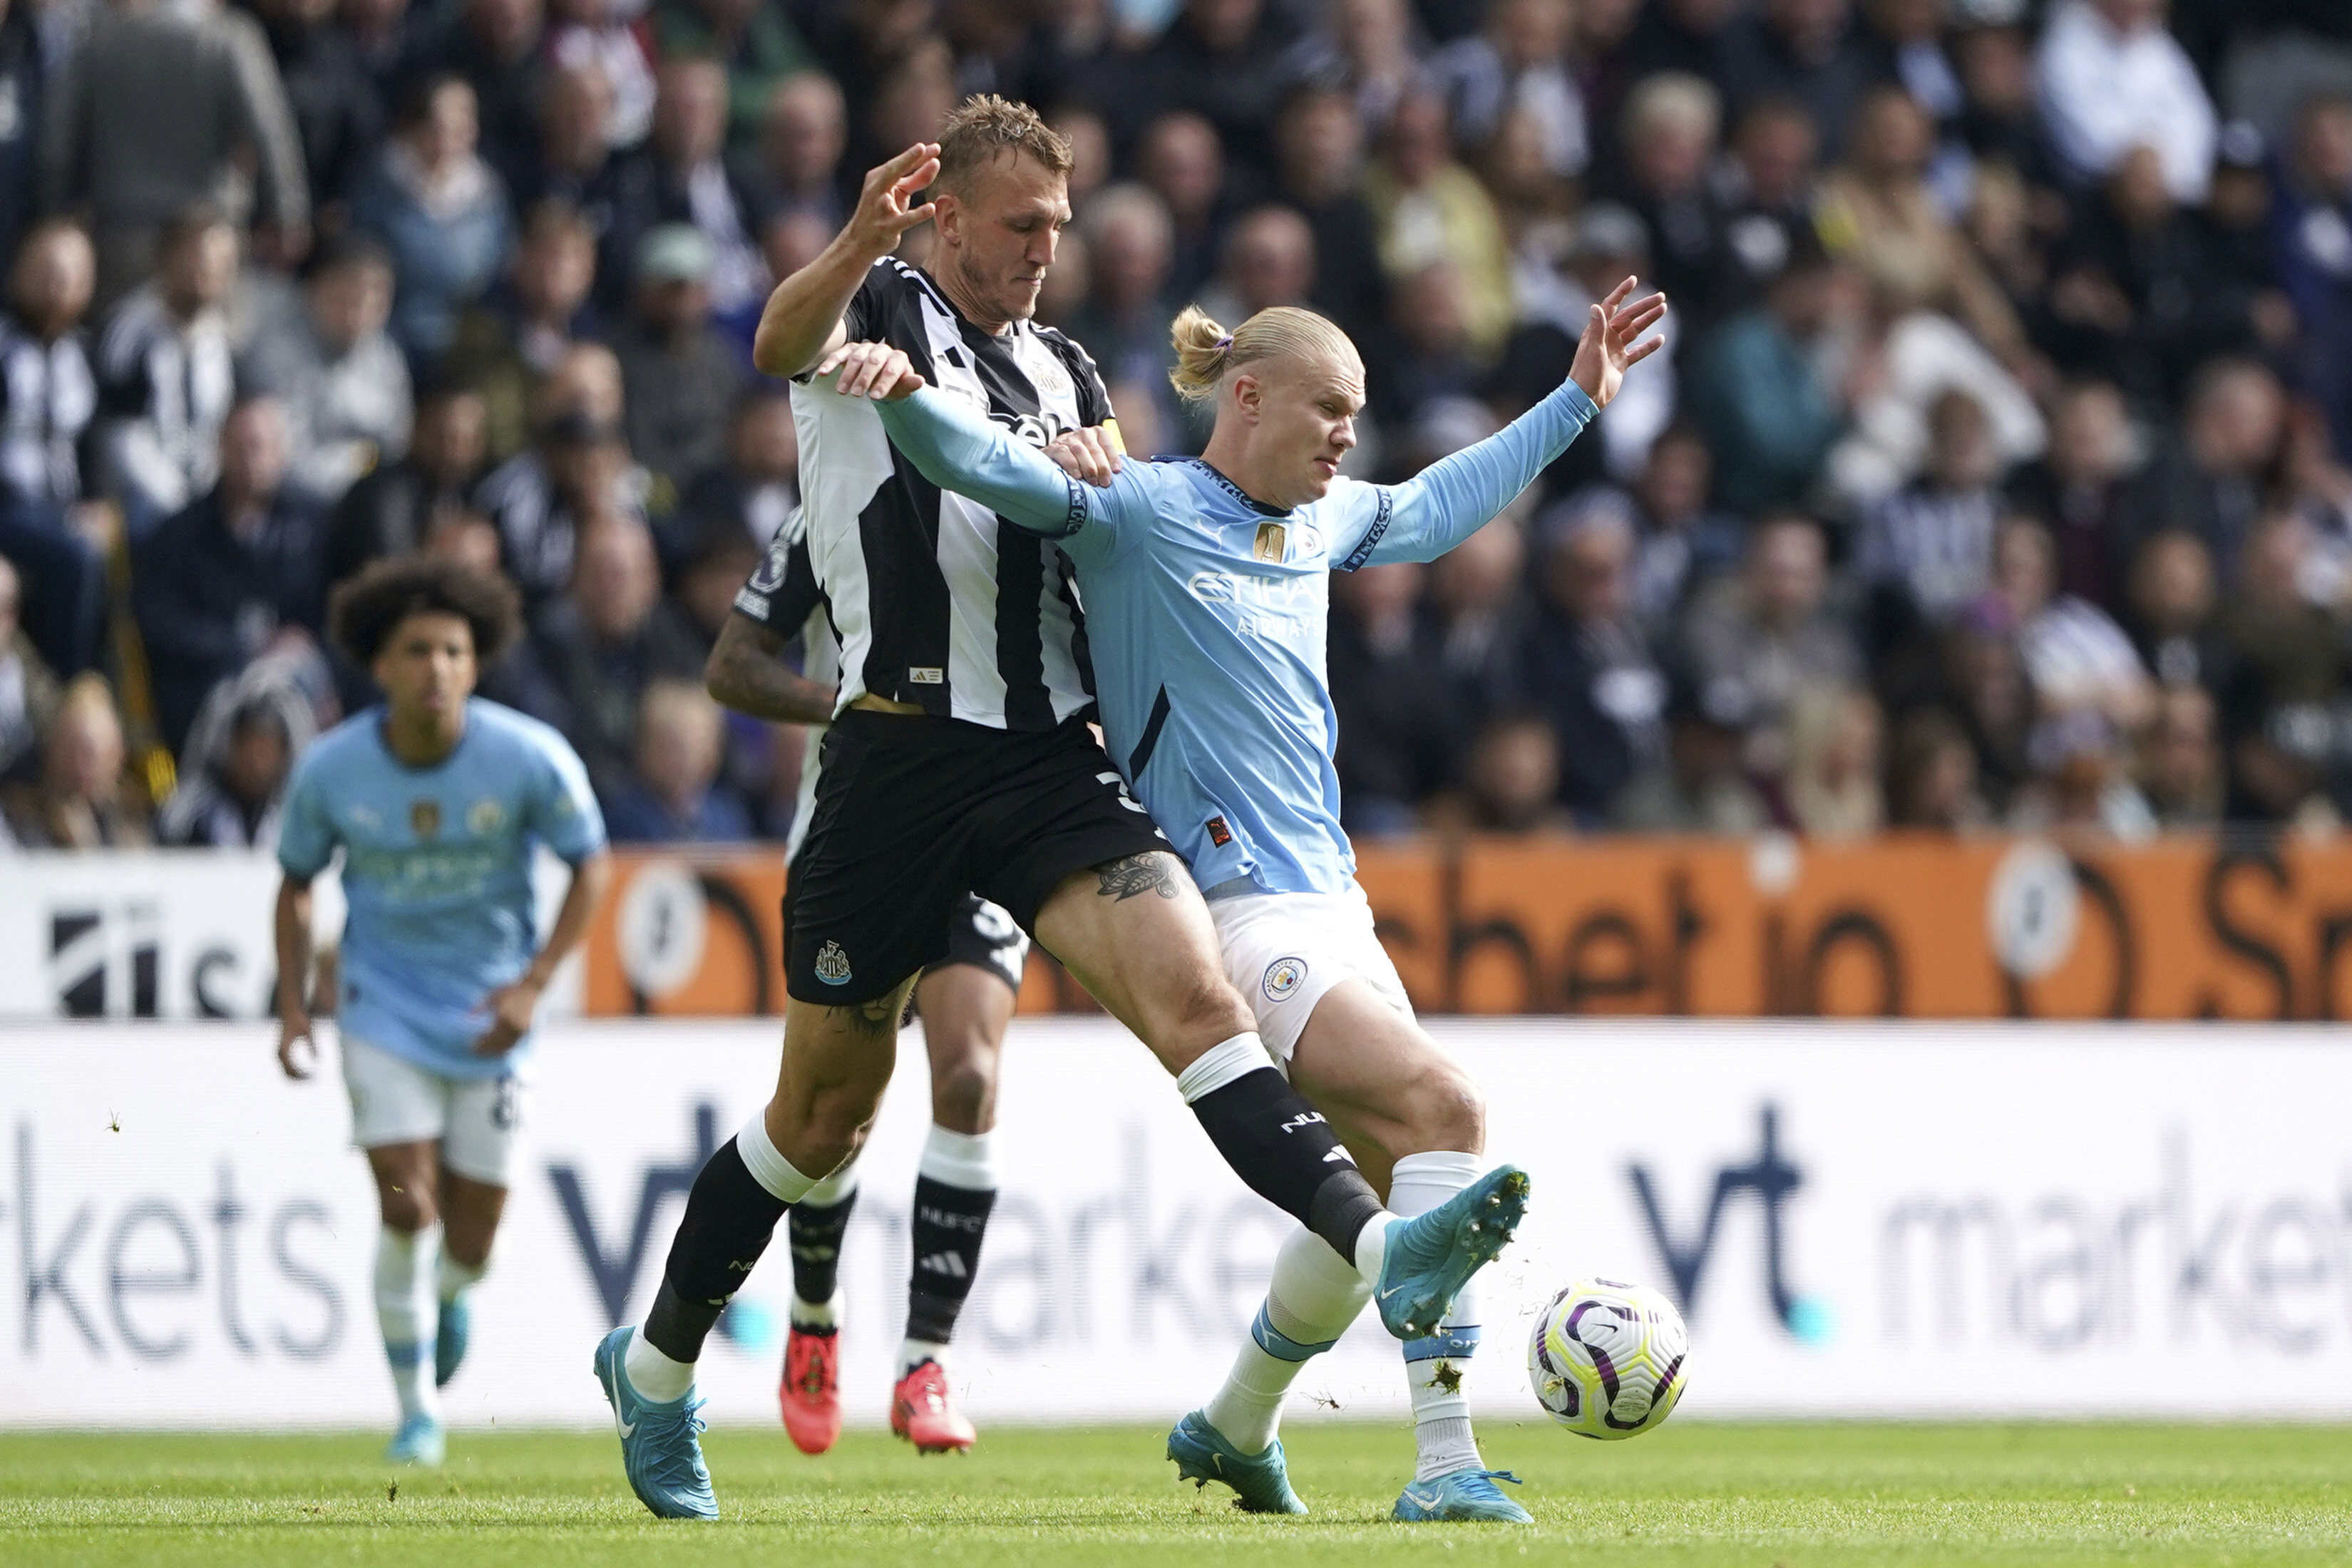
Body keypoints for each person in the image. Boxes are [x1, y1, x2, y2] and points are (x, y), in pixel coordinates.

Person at [591, 98, 1526, 1523]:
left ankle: (1372, 1237)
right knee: (819, 1121)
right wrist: (853, 239)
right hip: (893, 757)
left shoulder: (1071, 368)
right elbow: (776, 348)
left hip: (1044, 758)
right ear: (947, 213)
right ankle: (653, 1370)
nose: (1042, 250)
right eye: (1018, 224)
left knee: (1193, 997)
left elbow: (1113, 534)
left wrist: (1107, 464)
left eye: (1058, 227)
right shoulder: (869, 303)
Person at [835, 270, 1662, 1517]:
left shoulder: (1319, 523)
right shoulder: (1143, 511)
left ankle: (1233, 1423)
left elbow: (1438, 507)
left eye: (1357, 413)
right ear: (1247, 394)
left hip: (1333, 897)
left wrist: (1573, 402)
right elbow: (994, 474)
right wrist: (903, 398)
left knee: (1390, 1186)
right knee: (1441, 1113)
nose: (1346, 435)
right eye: (1328, 409)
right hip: (1231, 909)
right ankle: (1442, 1465)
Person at [707, 498, 1030, 1455]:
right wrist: (851, 703)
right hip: (855, 839)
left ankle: (924, 1360)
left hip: (989, 833)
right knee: (832, 1120)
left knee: (969, 1075)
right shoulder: (833, 514)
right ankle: (814, 1315)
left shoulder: (1022, 498)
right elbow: (730, 667)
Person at [272, 556, 612, 1467]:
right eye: (416, 650)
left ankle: (452, 1297)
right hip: (380, 1006)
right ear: (379, 665)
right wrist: (296, 1005)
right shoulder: (332, 771)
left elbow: (591, 863)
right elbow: (296, 884)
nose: (436, 667)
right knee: (407, 1206)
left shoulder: (528, 756)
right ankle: (416, 1413)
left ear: (476, 663)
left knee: (471, 1239)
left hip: (492, 1015)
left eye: (453, 651)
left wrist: (535, 983)